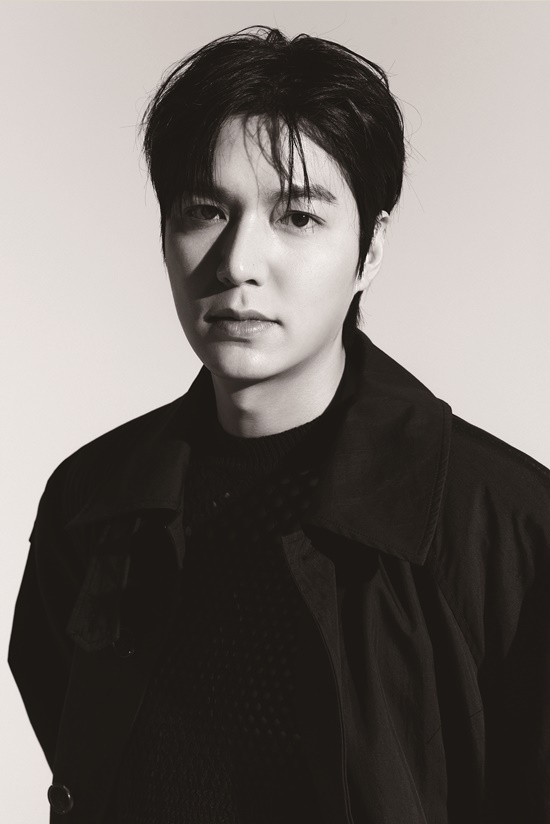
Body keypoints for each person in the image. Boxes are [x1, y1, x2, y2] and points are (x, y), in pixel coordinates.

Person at [8, 25, 550, 824]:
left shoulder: (509, 529)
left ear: (370, 249)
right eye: (204, 211)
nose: (237, 263)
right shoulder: (91, 500)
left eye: (296, 217)